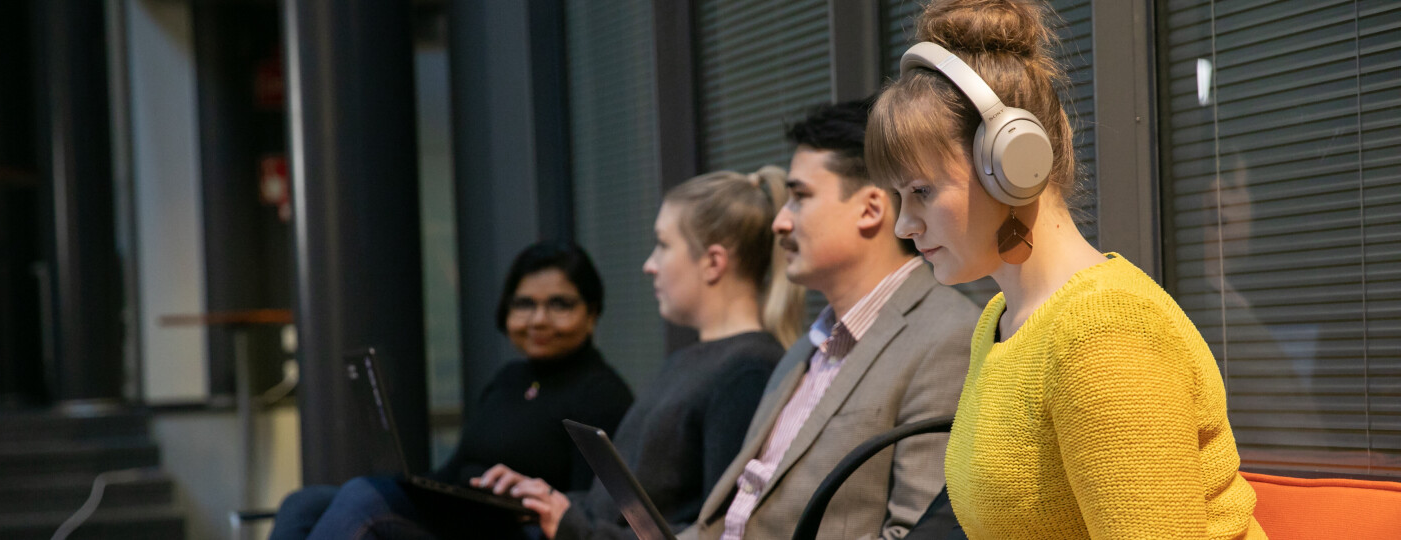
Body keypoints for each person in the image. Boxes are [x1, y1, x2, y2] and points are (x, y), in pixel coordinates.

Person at [865, 0, 1267, 538]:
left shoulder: (1103, 334)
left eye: (921, 191)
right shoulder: (1001, 320)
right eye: (898, 195)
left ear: (1010, 165)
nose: (904, 225)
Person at [682, 99, 977, 540]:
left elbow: (914, 533)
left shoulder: (947, 336)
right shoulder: (808, 346)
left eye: (799, 197)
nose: (780, 222)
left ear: (871, 209)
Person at [473, 166, 807, 539]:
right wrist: (552, 500)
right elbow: (629, 508)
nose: (650, 265)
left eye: (663, 245)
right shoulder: (691, 360)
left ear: (713, 262)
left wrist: (573, 527)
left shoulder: (748, 371)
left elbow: (718, 532)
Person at [269, 241, 634, 540]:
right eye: (524, 304)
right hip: (465, 516)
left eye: (560, 304)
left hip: (517, 531)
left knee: (363, 497)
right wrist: (412, 488)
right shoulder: (510, 378)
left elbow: (592, 508)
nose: (539, 319)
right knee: (306, 502)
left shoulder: (602, 394)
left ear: (592, 313)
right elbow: (455, 469)